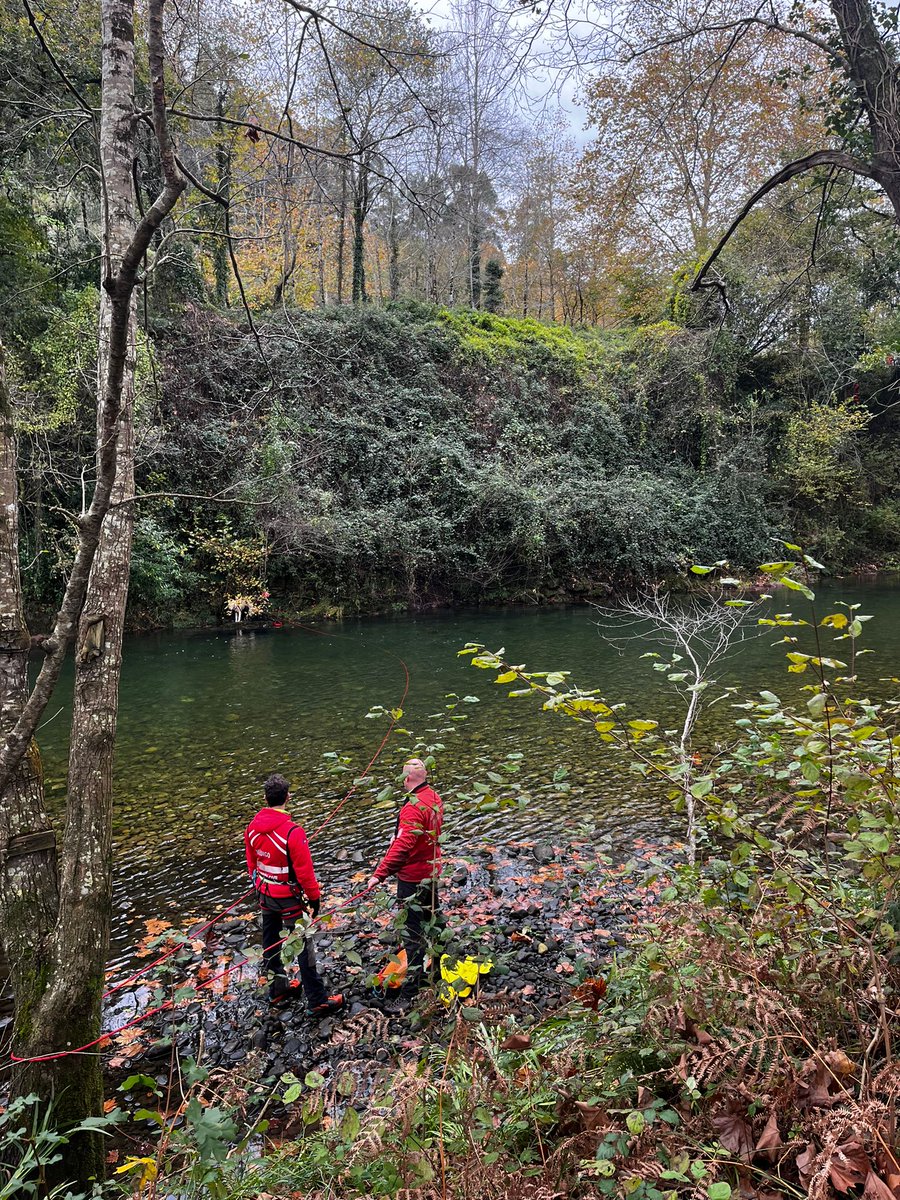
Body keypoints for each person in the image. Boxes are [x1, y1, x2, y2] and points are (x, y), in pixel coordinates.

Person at [245, 773, 344, 1016]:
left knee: (270, 942)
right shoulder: (293, 832)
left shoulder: (252, 829)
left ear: (265, 798)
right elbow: (305, 873)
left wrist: (259, 886)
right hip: (289, 899)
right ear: (288, 797)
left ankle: (278, 989)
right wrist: (315, 898)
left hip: (265, 895)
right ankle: (317, 1000)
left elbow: (252, 865)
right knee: (303, 945)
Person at [367, 757, 444, 1013]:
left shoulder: (412, 806)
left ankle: (410, 993)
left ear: (406, 779)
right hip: (431, 871)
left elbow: (404, 845)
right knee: (433, 922)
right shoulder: (434, 797)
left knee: (412, 934)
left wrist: (379, 874)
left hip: (413, 878)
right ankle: (439, 970)